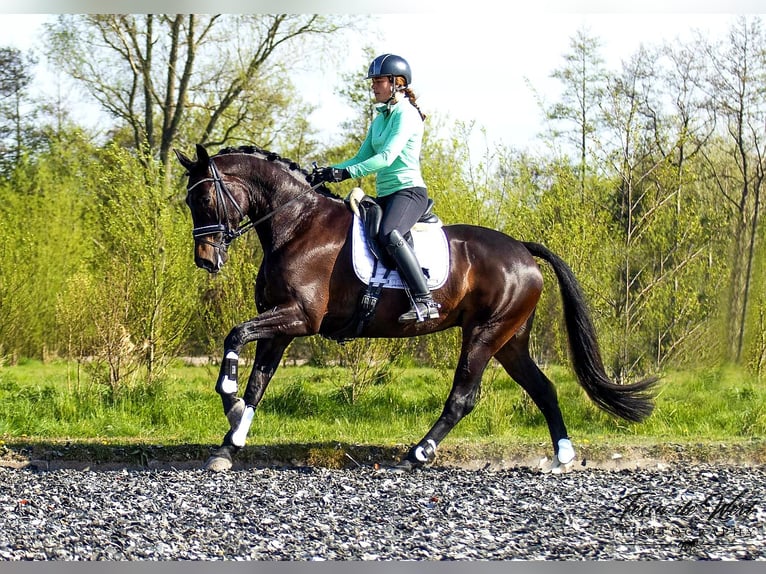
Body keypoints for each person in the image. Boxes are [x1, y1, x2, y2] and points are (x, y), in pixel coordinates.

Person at [312, 53, 440, 323]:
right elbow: (360, 158)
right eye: (374, 81)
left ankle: (425, 299)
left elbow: (386, 158)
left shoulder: (406, 115)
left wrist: (345, 172)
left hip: (409, 192)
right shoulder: (380, 118)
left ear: (397, 82)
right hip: (386, 195)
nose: (373, 85)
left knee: (390, 233)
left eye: (378, 80)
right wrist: (330, 172)